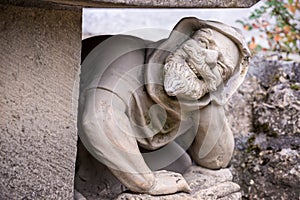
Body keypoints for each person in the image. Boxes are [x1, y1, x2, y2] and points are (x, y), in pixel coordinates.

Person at [77, 17, 250, 195]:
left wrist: (211, 96)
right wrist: (147, 183)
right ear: (181, 39)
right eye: (203, 43)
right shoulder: (125, 53)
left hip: (130, 148)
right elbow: (98, 118)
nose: (209, 58)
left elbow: (216, 160)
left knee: (180, 163)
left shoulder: (197, 96)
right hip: (73, 141)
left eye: (221, 67)